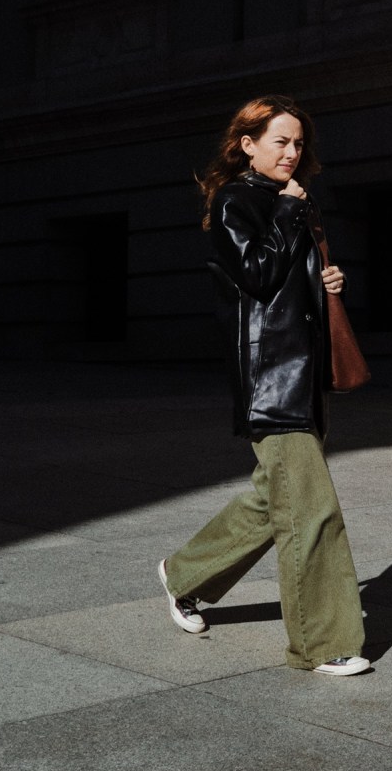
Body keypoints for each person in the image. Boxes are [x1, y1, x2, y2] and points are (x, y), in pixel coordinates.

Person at [157, 95, 370, 676]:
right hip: (271, 377)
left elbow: (286, 283)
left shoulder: (293, 202)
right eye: (280, 141)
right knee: (313, 509)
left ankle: (183, 573)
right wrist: (288, 216)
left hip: (303, 372)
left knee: (269, 500)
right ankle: (325, 643)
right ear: (248, 144)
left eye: (299, 143)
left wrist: (326, 276)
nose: (292, 153)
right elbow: (254, 274)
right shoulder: (236, 202)